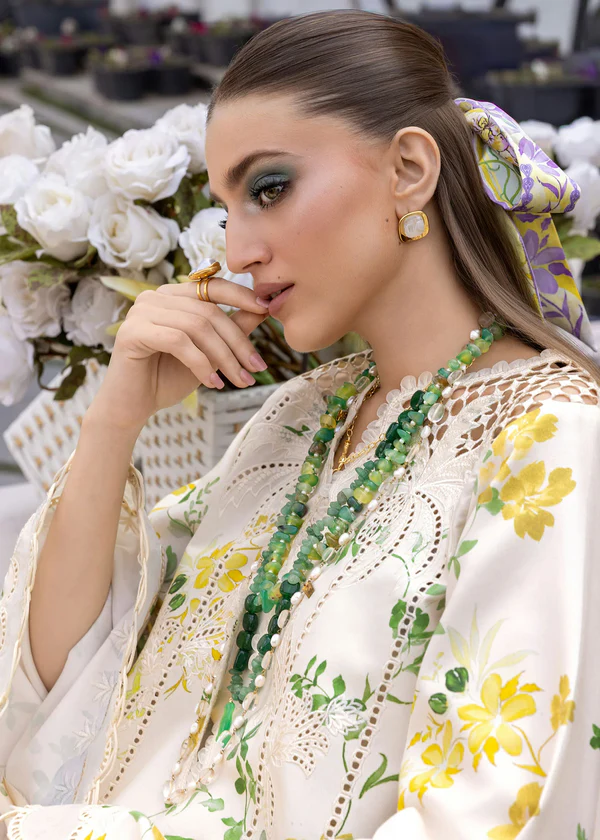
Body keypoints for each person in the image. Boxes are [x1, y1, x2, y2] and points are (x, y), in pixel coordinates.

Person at [1, 10, 599, 840]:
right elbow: (67, 686)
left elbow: (492, 814)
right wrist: (115, 416)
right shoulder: (302, 417)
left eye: (269, 189)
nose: (238, 251)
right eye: (226, 209)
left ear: (409, 170)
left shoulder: (546, 441)